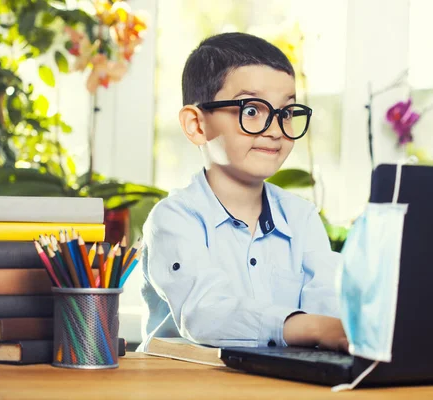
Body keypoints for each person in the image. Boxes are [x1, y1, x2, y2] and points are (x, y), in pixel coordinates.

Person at [139, 32, 348, 352]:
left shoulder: (302, 217)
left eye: (287, 113)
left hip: (278, 383)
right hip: (183, 384)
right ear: (197, 125)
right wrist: (310, 327)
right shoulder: (173, 219)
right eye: (251, 110)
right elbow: (205, 312)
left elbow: (329, 312)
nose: (276, 129)